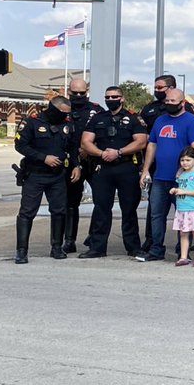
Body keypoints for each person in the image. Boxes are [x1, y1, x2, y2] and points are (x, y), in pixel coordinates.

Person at [78, 86, 148, 258]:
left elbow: (141, 142)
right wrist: (102, 153)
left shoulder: (133, 118)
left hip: (126, 167)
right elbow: (85, 142)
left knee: (129, 209)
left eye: (114, 97)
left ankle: (133, 247)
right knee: (101, 208)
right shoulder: (98, 118)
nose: (111, 100)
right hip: (103, 168)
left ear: (122, 98)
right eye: (107, 97)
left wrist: (118, 152)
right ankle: (97, 247)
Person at [137, 89, 194, 263]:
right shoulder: (160, 120)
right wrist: (146, 170)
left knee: (184, 214)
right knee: (156, 214)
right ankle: (156, 249)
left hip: (182, 180)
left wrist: (185, 170)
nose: (168, 104)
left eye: (173, 101)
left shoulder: (192, 121)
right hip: (160, 177)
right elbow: (152, 145)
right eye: (167, 101)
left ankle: (182, 252)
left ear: (182, 103)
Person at [13, 97, 78, 264]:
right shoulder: (32, 122)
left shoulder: (68, 124)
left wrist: (76, 165)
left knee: (59, 211)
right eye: (62, 113)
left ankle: (57, 247)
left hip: (57, 175)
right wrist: (43, 158)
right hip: (35, 174)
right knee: (27, 212)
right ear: (53, 109)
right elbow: (21, 146)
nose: (65, 116)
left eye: (67, 113)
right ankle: (21, 251)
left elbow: (72, 147)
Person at [62, 77, 103, 254]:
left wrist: (89, 149)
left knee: (101, 201)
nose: (78, 96)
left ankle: (94, 236)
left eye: (82, 93)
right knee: (71, 203)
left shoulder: (96, 110)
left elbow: (103, 134)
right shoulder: (62, 110)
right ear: (69, 91)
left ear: (87, 90)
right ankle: (69, 240)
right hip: (71, 162)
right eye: (75, 93)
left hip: (93, 161)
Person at [171, 148, 194, 268]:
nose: (185, 163)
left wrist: (184, 191)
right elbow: (180, 187)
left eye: (188, 160)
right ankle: (183, 256)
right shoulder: (181, 173)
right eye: (182, 160)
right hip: (182, 208)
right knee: (183, 233)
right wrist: (175, 190)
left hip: (193, 208)